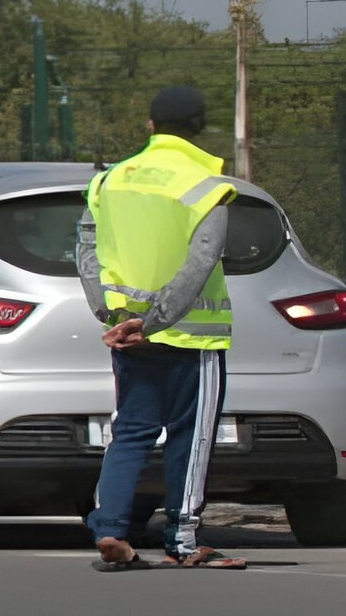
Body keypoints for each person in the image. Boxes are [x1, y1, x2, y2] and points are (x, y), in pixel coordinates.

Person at [76, 85, 246, 571]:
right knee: (190, 436)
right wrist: (155, 322)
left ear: (150, 126)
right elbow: (201, 259)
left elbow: (86, 250)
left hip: (127, 335)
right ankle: (186, 539)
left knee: (129, 432)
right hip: (191, 336)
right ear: (199, 128)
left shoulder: (110, 181)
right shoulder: (206, 185)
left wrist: (111, 315)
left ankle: (110, 528)